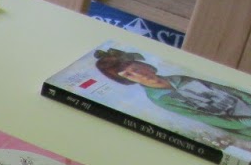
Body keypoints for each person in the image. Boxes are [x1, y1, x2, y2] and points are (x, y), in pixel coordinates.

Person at [92, 48, 251, 141]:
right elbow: (207, 118)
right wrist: (246, 121)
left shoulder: (179, 79)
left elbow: (230, 91)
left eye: (136, 68)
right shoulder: (161, 99)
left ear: (145, 66)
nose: (139, 74)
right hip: (243, 127)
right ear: (126, 80)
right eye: (129, 75)